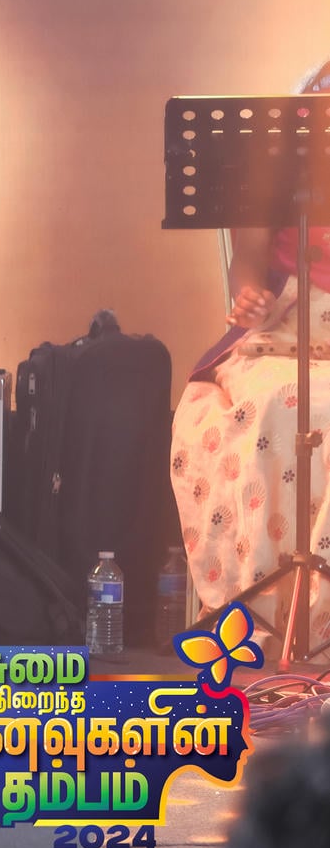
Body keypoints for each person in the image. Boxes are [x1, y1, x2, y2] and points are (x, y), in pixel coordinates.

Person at [170, 60, 330, 656]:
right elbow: (249, 261)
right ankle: (269, 607)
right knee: (282, 402)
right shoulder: (273, 160)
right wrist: (248, 298)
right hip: (283, 331)